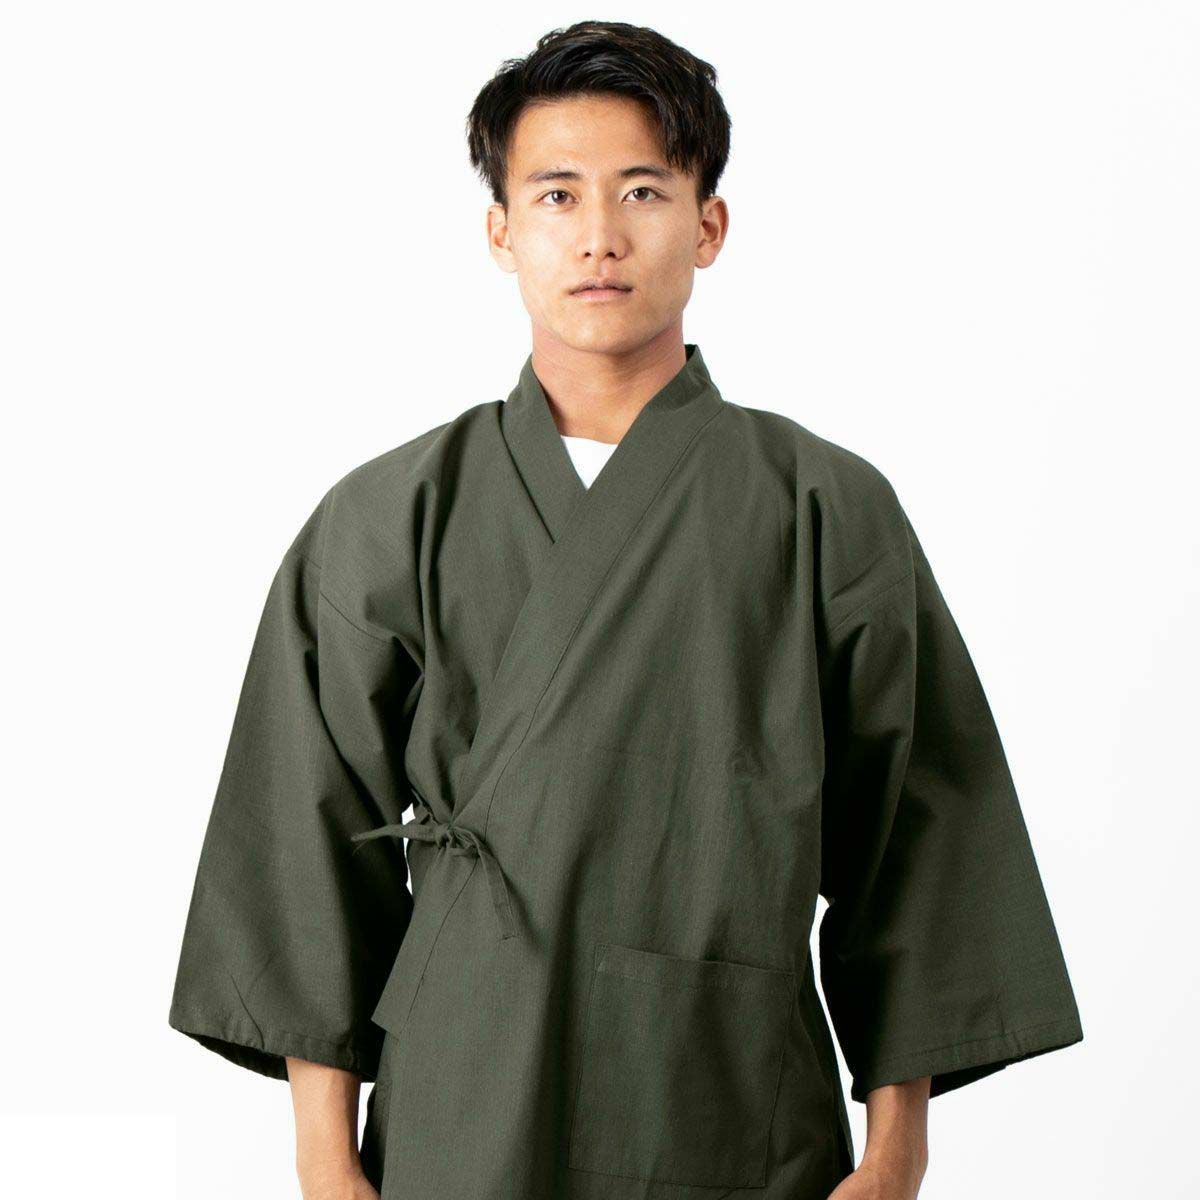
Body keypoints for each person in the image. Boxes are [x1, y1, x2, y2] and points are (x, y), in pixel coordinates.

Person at [168, 19, 1083, 1200]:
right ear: (501, 230)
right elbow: (301, 838)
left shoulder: (822, 506)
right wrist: (324, 1161)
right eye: (557, 195)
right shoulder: (391, 514)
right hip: (464, 1098)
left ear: (708, 225)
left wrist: (896, 1149)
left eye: (643, 191)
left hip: (729, 1095)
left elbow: (921, 834)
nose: (599, 234)